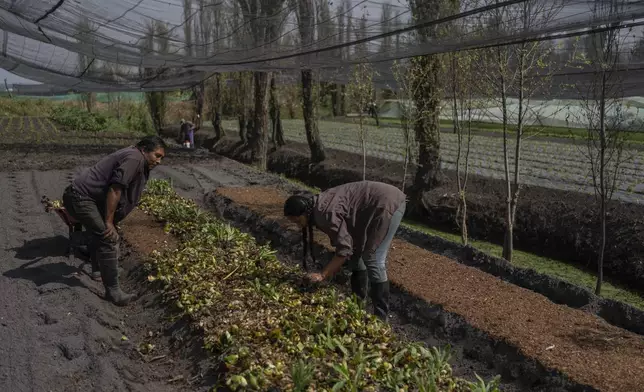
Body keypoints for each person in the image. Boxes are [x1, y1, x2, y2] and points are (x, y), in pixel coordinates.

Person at [62, 136, 166, 306]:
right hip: (80, 198)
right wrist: (109, 222)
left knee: (100, 234)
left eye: (162, 157)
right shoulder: (135, 158)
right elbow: (116, 188)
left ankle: (98, 270)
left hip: (86, 197)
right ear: (145, 150)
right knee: (108, 236)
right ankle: (113, 292)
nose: (159, 161)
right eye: (157, 155)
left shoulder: (136, 157)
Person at [283, 181, 407, 320]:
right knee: (357, 256)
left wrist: (323, 275)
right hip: (371, 207)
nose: (298, 225)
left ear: (304, 212)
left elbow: (344, 250)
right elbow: (348, 246)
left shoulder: (323, 214)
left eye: (296, 221)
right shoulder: (316, 206)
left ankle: (380, 317)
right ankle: (357, 307)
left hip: (386, 204)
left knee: (372, 258)